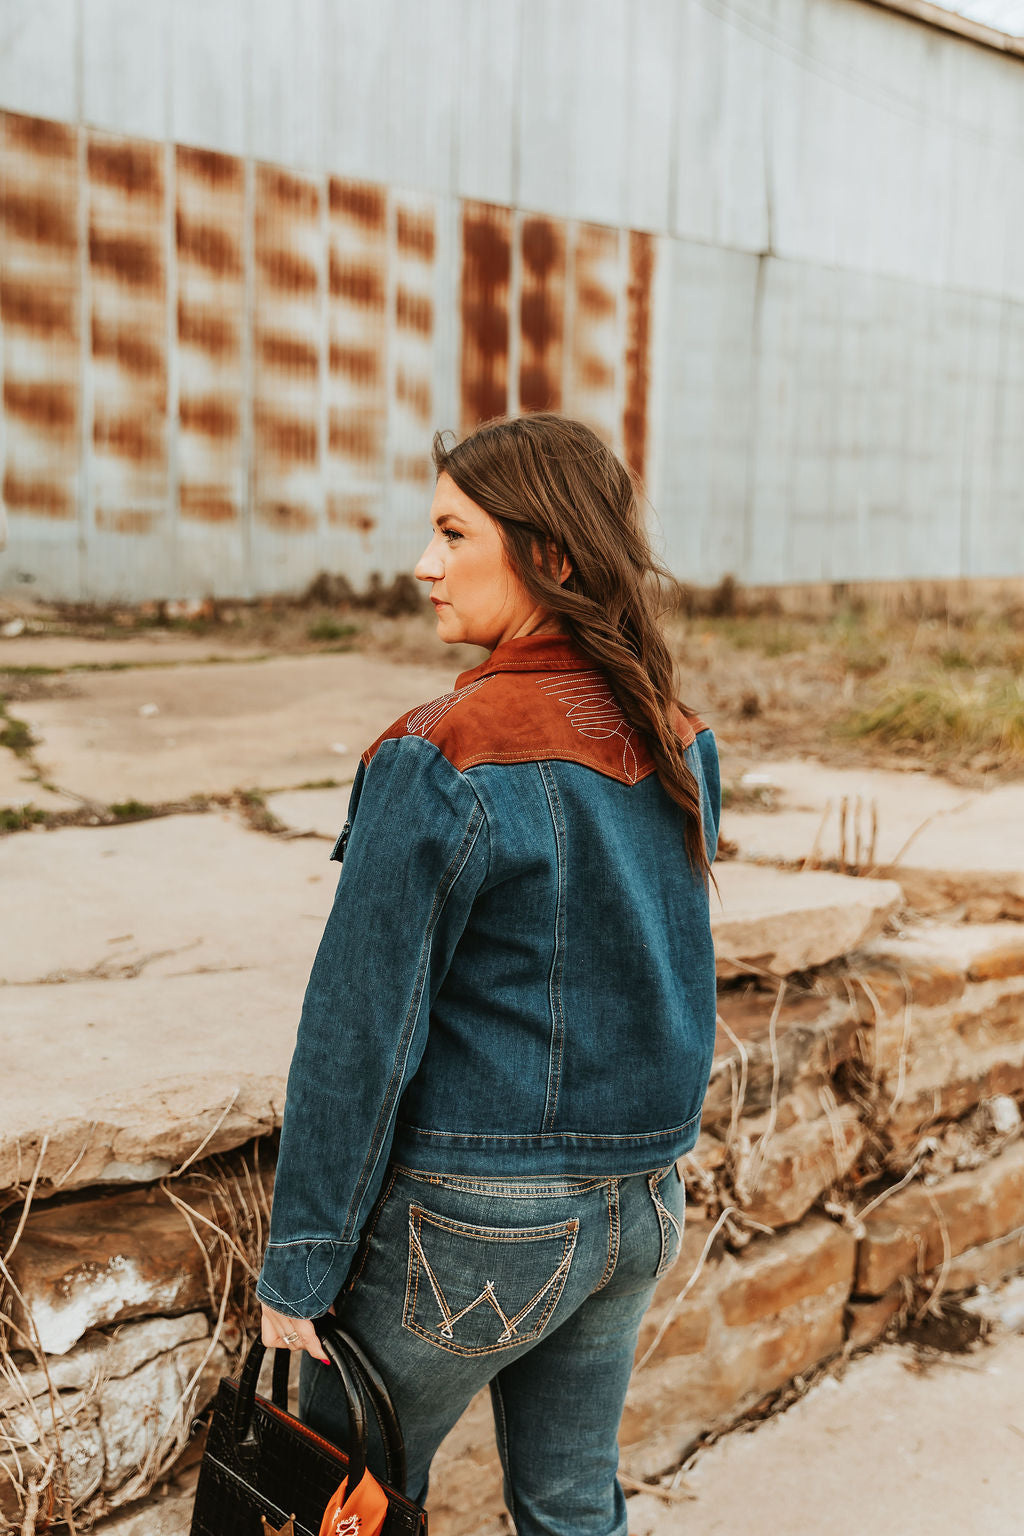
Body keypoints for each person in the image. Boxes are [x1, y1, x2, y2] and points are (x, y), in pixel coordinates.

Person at [257, 413, 720, 1536]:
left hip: (480, 1222)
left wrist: (298, 1270)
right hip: (644, 1204)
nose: (423, 565)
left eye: (453, 534)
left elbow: (359, 1030)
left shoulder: (441, 750)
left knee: (329, 1509)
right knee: (570, 1506)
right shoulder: (673, 729)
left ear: (549, 556)